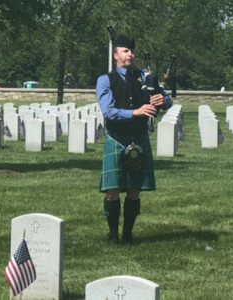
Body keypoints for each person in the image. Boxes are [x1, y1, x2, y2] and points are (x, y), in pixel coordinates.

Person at [96, 35, 172, 245]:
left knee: (134, 190)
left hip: (139, 138)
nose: (130, 55)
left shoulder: (146, 76)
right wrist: (136, 112)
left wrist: (163, 100)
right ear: (115, 55)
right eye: (125, 51)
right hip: (117, 138)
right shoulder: (105, 80)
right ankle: (112, 234)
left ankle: (128, 234)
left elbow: (167, 101)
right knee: (112, 191)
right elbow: (109, 112)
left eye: (131, 51)